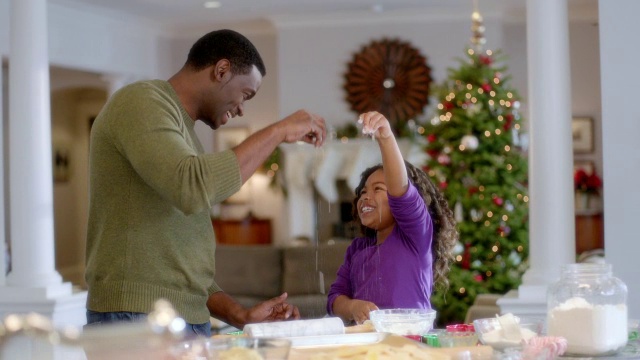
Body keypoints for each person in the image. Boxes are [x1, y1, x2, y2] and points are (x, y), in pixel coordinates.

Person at [84, 29, 326, 337]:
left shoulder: (183, 136)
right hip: (138, 319)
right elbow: (193, 187)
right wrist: (278, 131)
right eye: (246, 94)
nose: (241, 108)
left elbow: (184, 270)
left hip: (176, 319)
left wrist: (240, 315)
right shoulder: (140, 101)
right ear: (221, 70)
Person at [326, 111, 458, 325]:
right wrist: (352, 306)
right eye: (362, 192)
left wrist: (386, 137)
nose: (365, 197)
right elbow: (334, 300)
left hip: (411, 343)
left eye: (378, 189)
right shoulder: (357, 249)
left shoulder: (415, 237)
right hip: (369, 347)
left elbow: (401, 192)